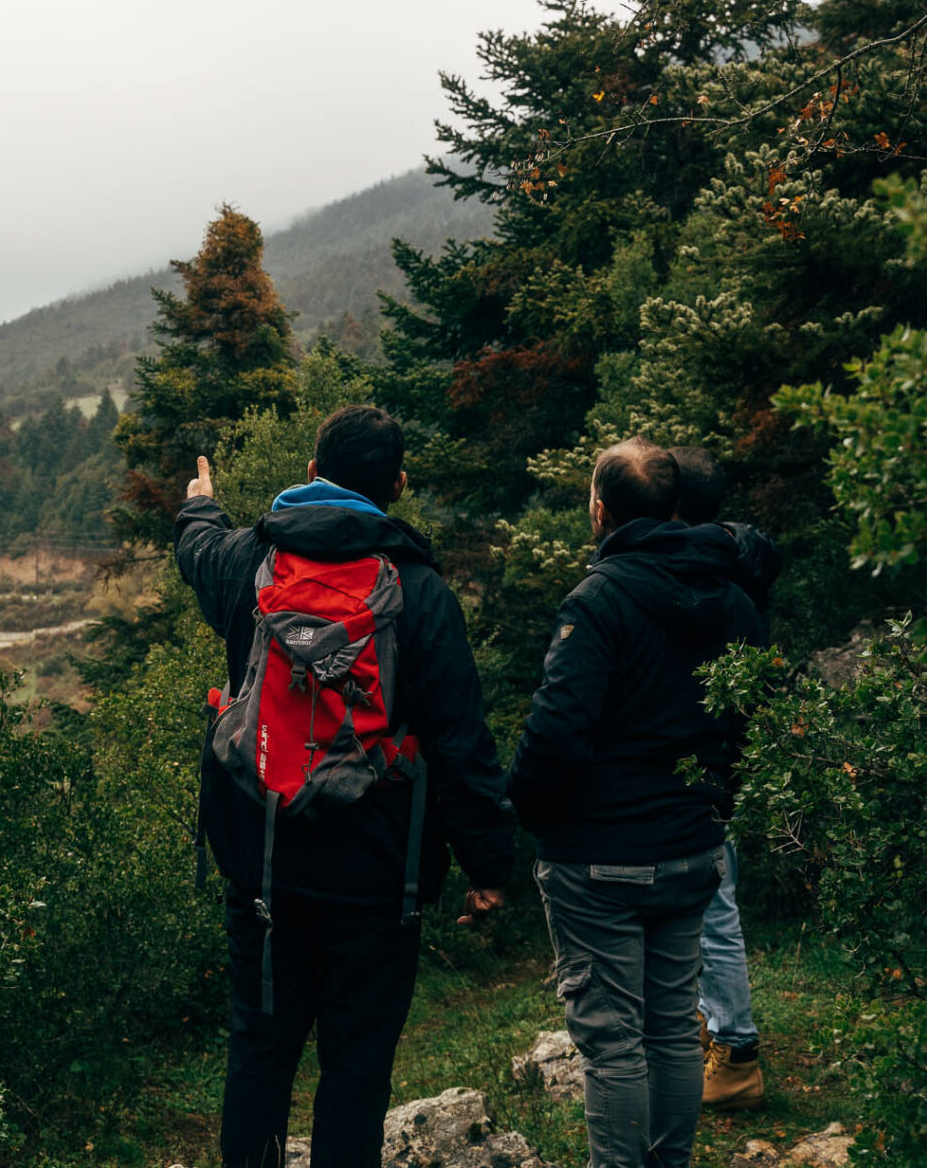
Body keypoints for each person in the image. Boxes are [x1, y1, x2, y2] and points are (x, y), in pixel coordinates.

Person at [176, 406, 517, 1168]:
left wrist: (201, 500)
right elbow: (461, 742)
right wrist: (490, 865)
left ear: (308, 471)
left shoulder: (247, 563)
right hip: (376, 875)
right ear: (396, 484)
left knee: (259, 1057)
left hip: (263, 864)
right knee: (356, 1071)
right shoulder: (420, 590)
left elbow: (196, 548)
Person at [508, 437, 763, 1168]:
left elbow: (555, 733)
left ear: (600, 510)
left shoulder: (601, 600)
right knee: (670, 1032)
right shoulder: (733, 597)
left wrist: (534, 813)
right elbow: (747, 719)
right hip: (691, 846)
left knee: (614, 1039)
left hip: (601, 857)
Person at [668, 445, 782, 1113]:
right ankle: (720, 1030)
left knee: (713, 911)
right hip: (724, 762)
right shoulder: (739, 577)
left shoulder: (708, 585)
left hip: (698, 766)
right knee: (715, 904)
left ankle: (736, 1049)